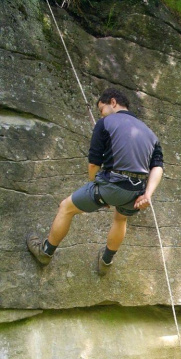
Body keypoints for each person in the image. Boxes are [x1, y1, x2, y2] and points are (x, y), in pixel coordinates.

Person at [26, 88, 164, 275]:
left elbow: (93, 164)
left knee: (66, 207)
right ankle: (106, 262)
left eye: (101, 108)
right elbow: (157, 167)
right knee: (120, 218)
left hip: (111, 186)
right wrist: (148, 194)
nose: (101, 113)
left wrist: (96, 186)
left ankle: (45, 252)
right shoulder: (150, 134)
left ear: (113, 102)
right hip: (136, 194)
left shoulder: (105, 123)